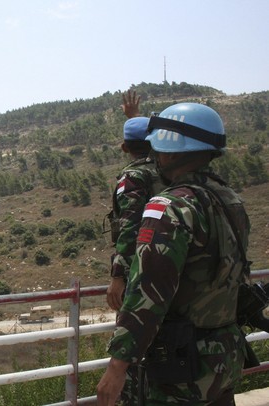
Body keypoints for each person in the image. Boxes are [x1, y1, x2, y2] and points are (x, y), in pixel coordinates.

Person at [97, 102, 250, 405]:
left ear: (170, 151)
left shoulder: (169, 207)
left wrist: (117, 367)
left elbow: (148, 292)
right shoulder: (229, 199)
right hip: (225, 355)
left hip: (180, 366)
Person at [105, 91, 164, 405]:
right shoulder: (167, 171)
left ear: (124, 147)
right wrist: (135, 118)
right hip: (169, 273)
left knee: (132, 351)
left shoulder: (133, 177)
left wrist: (118, 276)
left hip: (138, 278)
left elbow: (130, 227)